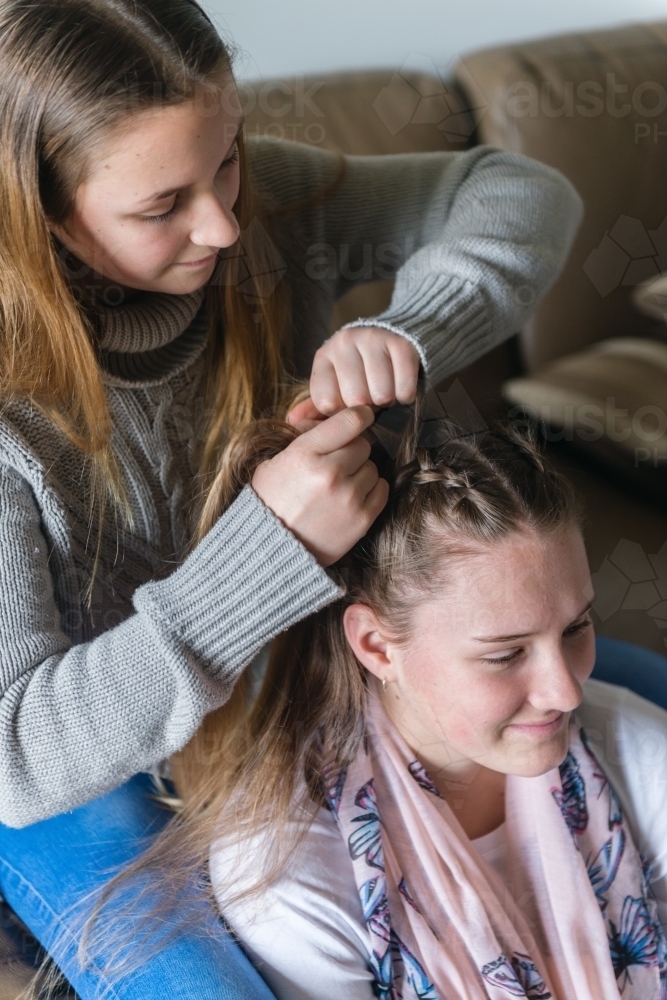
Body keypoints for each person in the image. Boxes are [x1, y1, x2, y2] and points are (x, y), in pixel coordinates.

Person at [0, 0, 584, 995]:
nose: (225, 222)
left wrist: (410, 334)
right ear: (36, 208)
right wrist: (266, 549)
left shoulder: (265, 207)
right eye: (162, 205)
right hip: (95, 778)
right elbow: (20, 756)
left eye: (226, 159)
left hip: (323, 675)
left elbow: (520, 191)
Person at [184, 396, 667, 1000]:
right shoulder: (288, 874)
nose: (566, 691)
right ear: (378, 647)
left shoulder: (639, 752)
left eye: (575, 628)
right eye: (505, 655)